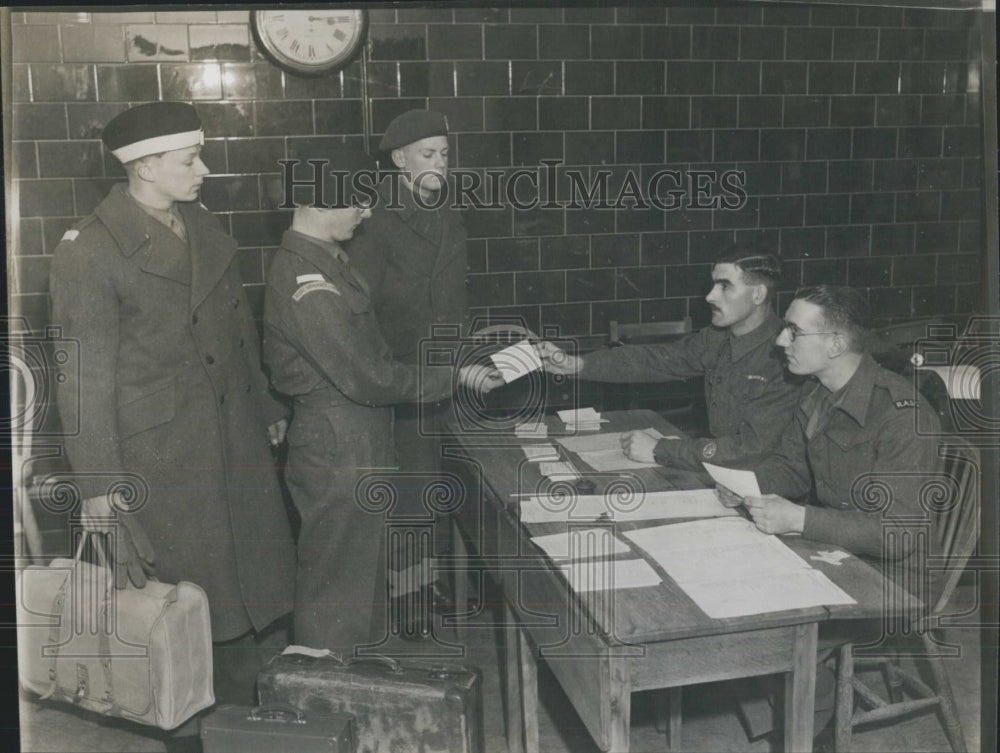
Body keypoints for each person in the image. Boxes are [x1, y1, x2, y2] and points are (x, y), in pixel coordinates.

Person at [49, 102, 296, 751]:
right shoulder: (91, 249)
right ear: (146, 166)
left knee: (243, 602)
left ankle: (243, 728)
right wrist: (99, 487)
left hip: (232, 434)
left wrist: (267, 408)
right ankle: (187, 738)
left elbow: (237, 330)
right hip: (161, 457)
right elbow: (81, 380)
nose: (205, 170)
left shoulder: (200, 223)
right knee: (180, 612)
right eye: (191, 159)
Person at [262, 144, 501, 656]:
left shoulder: (329, 261)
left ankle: (359, 687)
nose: (368, 212)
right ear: (321, 205)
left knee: (361, 581)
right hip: (338, 448)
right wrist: (452, 376)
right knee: (335, 589)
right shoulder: (308, 282)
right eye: (358, 203)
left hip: (357, 441)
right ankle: (325, 693)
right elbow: (368, 375)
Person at [723, 285, 944, 743]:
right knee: (733, 592)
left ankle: (809, 734)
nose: (780, 341)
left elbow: (900, 535)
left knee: (774, 630)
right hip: (838, 550)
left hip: (896, 575)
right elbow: (791, 465)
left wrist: (799, 520)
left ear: (836, 344)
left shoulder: (900, 414)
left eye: (793, 331)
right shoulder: (818, 394)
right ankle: (788, 722)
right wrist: (745, 486)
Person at [347, 109, 470, 637]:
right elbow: (360, 305)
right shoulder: (375, 219)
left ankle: (438, 583)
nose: (439, 163)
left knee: (444, 486)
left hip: (446, 373)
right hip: (403, 377)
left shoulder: (445, 212)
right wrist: (387, 372)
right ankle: (410, 600)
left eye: (443, 154)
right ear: (399, 160)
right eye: (427, 154)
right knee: (413, 493)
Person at [539, 251, 803, 470]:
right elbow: (657, 360)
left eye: (724, 286)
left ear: (758, 295)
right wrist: (579, 364)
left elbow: (753, 449)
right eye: (713, 285)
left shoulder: (787, 355)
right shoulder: (717, 338)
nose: (710, 296)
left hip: (766, 487)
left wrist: (660, 449)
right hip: (723, 471)